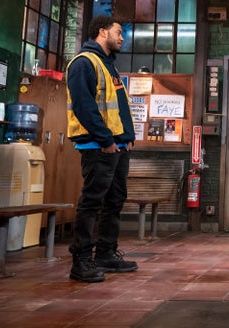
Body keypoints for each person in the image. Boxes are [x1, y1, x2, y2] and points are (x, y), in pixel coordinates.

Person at [66, 15, 138, 282]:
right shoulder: (84, 63)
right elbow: (84, 107)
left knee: (114, 201)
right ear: (101, 32)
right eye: (118, 32)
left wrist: (127, 138)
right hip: (99, 145)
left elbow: (119, 107)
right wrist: (107, 140)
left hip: (117, 146)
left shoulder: (109, 67)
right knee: (92, 202)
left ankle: (105, 253)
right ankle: (81, 260)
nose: (122, 37)